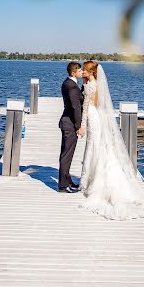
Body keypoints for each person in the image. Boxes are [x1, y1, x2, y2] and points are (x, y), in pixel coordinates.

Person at [79, 60, 144, 220]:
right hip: (99, 117)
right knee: (99, 146)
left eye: (85, 70)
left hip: (92, 117)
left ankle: (90, 181)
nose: (83, 72)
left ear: (92, 72)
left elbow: (86, 107)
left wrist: (82, 126)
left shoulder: (89, 86)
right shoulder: (98, 85)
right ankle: (94, 178)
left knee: (92, 146)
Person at [58, 62, 83, 193]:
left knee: (68, 154)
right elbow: (75, 107)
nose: (81, 72)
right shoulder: (71, 86)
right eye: (79, 70)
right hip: (70, 124)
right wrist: (79, 126)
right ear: (73, 72)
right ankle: (63, 186)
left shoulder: (68, 83)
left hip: (67, 122)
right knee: (66, 155)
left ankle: (68, 181)